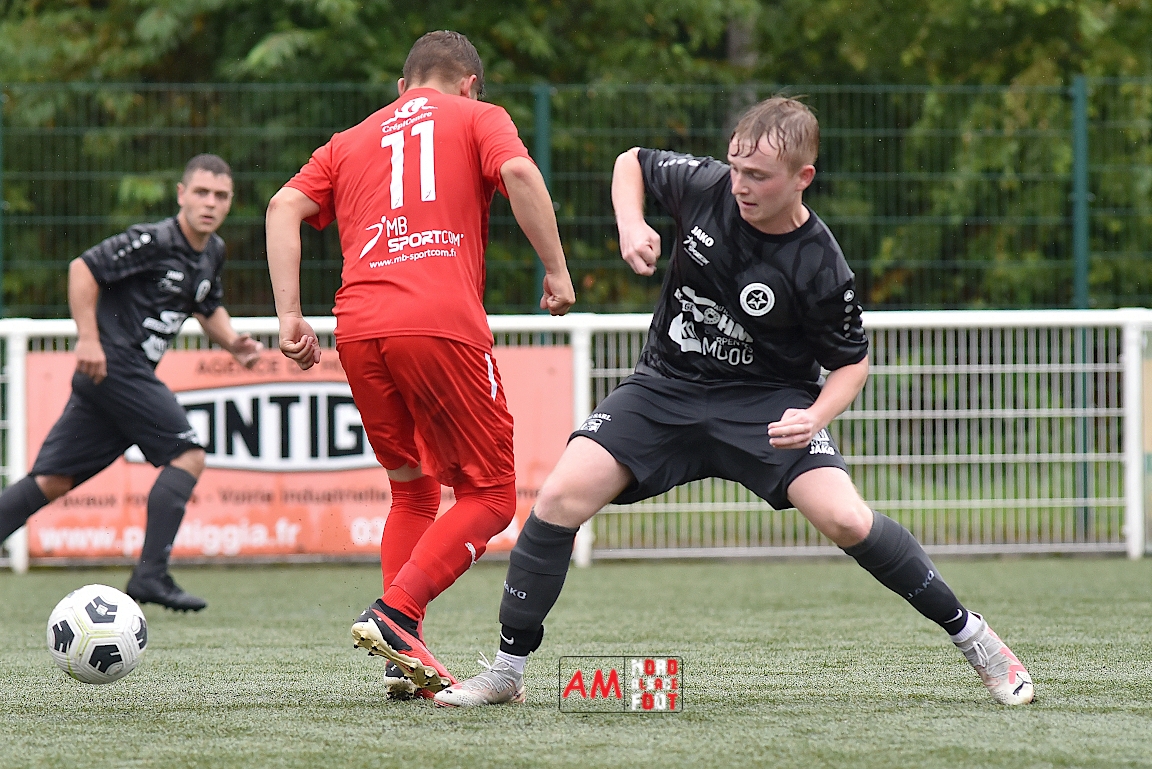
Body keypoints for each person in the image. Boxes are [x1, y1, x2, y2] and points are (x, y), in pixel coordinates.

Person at [434, 97, 1035, 708]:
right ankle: (507, 672)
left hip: (767, 405)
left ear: (802, 177)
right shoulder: (707, 186)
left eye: (759, 176)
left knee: (847, 519)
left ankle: (977, 640)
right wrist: (632, 223)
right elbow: (630, 161)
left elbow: (852, 363)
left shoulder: (820, 264)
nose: (741, 185)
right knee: (559, 498)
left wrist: (815, 416)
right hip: (665, 387)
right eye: (737, 168)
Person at [265, 31, 576, 698]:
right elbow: (521, 174)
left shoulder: (350, 139)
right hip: (438, 322)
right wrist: (555, 270)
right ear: (470, 84)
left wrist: (289, 315)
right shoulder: (479, 116)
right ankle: (397, 613)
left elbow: (283, 205)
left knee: (412, 489)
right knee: (491, 495)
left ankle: (398, 655)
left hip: (359, 327)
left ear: (401, 87)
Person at [0, 153, 263, 612]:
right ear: (181, 194)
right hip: (117, 365)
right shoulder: (152, 241)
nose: (210, 203)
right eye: (201, 192)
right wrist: (87, 339)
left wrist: (235, 344)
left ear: (230, 202)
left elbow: (206, 305)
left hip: (112, 382)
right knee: (188, 455)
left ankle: (149, 574)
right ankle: (150, 575)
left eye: (221, 196)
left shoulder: (212, 252)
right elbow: (83, 269)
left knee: (52, 481)